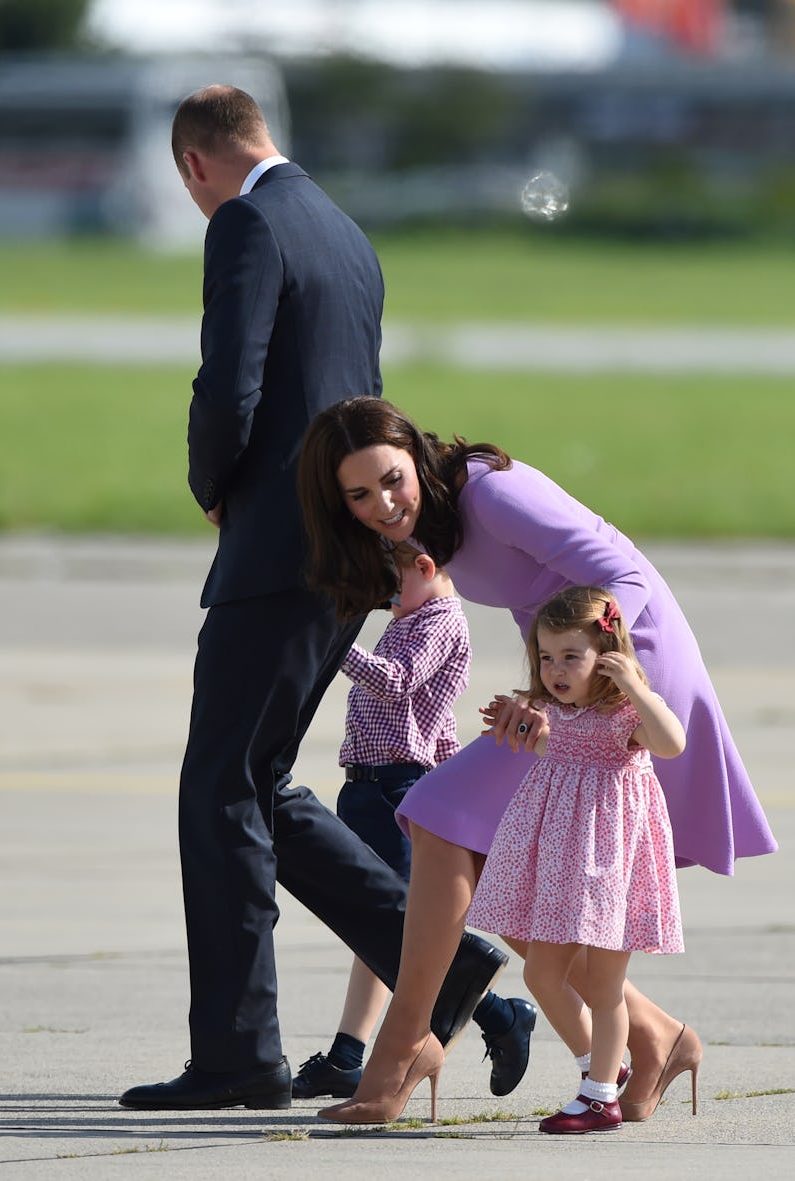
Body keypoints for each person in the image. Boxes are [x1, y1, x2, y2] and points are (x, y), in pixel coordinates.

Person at [118, 87, 509, 1113]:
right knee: (259, 785)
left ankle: (238, 1053)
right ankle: (451, 968)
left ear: (193, 165)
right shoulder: (342, 226)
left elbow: (230, 385)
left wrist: (215, 488)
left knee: (218, 790)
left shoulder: (246, 222)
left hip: (279, 548)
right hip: (344, 553)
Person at [296, 395, 777, 1125]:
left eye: (392, 479)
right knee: (474, 844)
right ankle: (653, 1036)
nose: (382, 504)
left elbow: (628, 582)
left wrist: (578, 689)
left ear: (415, 456)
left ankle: (405, 1045)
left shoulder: (491, 492)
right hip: (563, 679)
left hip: (626, 672)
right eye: (358, 495)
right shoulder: (430, 522)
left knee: (437, 812)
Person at [292, 543, 536, 1101]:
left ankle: (499, 1015)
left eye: (389, 585)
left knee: (400, 922)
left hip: (396, 785)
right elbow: (430, 714)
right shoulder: (408, 614)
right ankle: (348, 1055)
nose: (383, 599)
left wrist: (335, 640)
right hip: (368, 784)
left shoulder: (441, 620)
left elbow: (397, 681)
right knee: (373, 918)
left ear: (425, 568)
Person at [468, 586, 692, 1135]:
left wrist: (636, 687)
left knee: (605, 980)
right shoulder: (558, 713)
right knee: (542, 972)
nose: (556, 669)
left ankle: (599, 1099)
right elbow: (561, 754)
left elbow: (672, 744)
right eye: (547, 657)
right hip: (561, 859)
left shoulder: (624, 715)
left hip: (612, 861)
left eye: (572, 656)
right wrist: (523, 730)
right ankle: (603, 1069)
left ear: (607, 655)